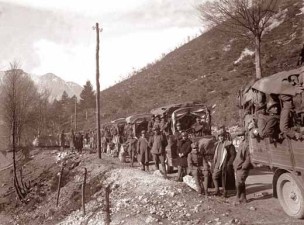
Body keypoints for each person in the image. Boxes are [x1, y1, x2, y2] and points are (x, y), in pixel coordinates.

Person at [212, 129, 236, 197]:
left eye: (222, 136)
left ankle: (225, 192)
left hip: (225, 164)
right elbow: (214, 154)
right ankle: (217, 190)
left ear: (224, 137)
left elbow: (233, 155)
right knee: (214, 176)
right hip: (218, 164)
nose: (221, 138)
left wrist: (229, 163)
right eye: (219, 136)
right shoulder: (217, 144)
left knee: (224, 178)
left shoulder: (228, 144)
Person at [233, 130, 253, 204]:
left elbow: (248, 157)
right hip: (239, 166)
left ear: (245, 136)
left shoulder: (247, 145)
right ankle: (244, 198)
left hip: (243, 167)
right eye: (239, 136)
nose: (241, 137)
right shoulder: (241, 144)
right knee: (241, 182)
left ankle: (237, 197)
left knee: (239, 183)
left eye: (242, 136)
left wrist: (244, 166)